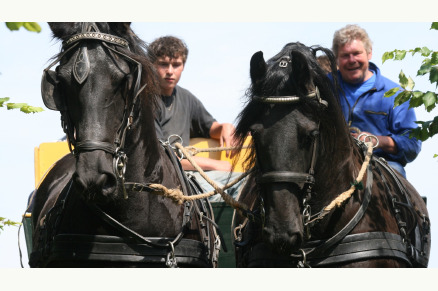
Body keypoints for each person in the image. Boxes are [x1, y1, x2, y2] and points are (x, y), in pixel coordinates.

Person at [148, 36, 243, 201]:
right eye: (163, 64)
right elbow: (163, 158)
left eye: (176, 65)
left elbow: (211, 128)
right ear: (151, 65)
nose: (170, 71)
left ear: (183, 66)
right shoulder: (147, 100)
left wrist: (225, 127)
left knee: (246, 182)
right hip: (163, 178)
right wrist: (216, 165)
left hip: (187, 174)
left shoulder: (186, 98)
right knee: (234, 185)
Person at [331, 24, 421, 178]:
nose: (352, 60)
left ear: (369, 53)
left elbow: (412, 144)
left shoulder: (396, 95)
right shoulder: (324, 88)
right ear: (336, 59)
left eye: (357, 53)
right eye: (345, 55)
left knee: (396, 177)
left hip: (382, 165)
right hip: (331, 164)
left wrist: (378, 141)